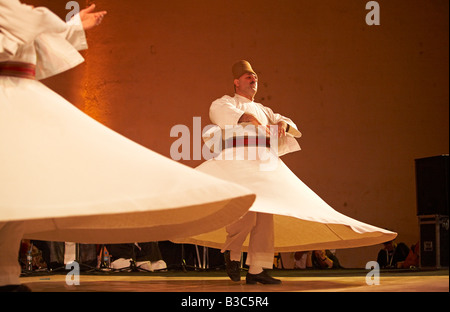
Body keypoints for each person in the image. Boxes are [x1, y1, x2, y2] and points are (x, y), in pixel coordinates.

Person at [0, 1, 255, 291]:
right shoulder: (11, 11)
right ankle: (5, 276)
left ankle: (6, 276)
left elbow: (36, 45)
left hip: (19, 100)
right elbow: (29, 22)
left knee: (13, 194)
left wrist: (69, 27)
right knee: (10, 190)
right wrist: (68, 26)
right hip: (11, 101)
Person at [174, 60, 397, 284]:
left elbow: (287, 122)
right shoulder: (227, 102)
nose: (254, 80)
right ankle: (232, 257)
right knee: (246, 213)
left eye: (256, 78)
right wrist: (246, 119)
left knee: (265, 216)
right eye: (248, 77)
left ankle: (257, 269)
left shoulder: (264, 110)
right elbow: (218, 111)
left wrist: (281, 124)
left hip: (263, 164)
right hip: (238, 161)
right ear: (236, 82)